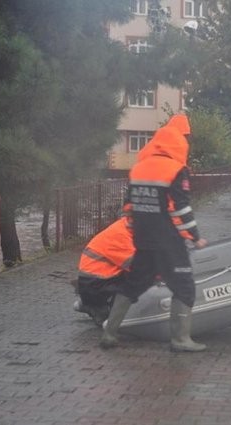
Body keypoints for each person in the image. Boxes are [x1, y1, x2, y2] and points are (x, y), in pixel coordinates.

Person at [100, 116, 209, 352]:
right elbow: (179, 208)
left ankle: (109, 333)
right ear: (179, 144)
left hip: (143, 239)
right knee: (184, 287)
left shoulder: (138, 168)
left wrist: (135, 229)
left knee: (133, 285)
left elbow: (129, 206)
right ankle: (180, 340)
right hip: (169, 242)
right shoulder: (176, 169)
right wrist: (194, 236)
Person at [74, 216, 134, 326]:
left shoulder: (124, 226)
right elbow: (137, 266)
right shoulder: (121, 236)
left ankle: (90, 303)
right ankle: (97, 308)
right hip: (94, 285)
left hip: (94, 281)